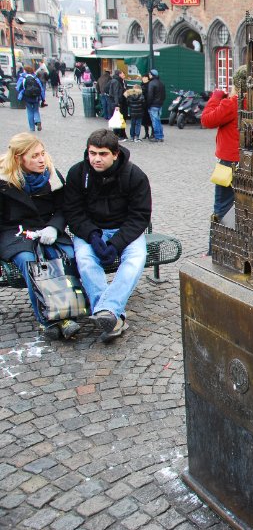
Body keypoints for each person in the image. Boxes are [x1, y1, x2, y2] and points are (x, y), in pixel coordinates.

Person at [63, 129, 152, 343]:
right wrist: (93, 236)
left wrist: (116, 243)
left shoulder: (134, 175)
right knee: (85, 261)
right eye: (92, 153)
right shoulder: (77, 173)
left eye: (102, 154)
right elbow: (73, 212)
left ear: (115, 154)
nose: (96, 159)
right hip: (91, 230)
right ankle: (113, 316)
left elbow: (139, 216)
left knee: (135, 260)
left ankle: (106, 311)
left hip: (124, 231)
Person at [0, 133, 82, 340]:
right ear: (19, 158)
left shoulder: (52, 176)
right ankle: (49, 319)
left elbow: (64, 209)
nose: (41, 159)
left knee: (68, 255)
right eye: (35, 156)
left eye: (42, 153)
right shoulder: (4, 181)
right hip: (15, 233)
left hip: (47, 228)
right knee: (30, 263)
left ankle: (67, 312)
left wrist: (54, 228)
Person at [202, 65, 247, 254]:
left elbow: (207, 120)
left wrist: (216, 96)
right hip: (251, 164)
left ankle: (216, 251)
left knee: (222, 208)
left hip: (229, 164)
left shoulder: (233, 103)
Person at [16, 66, 45, 132]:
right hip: (36, 97)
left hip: (27, 97)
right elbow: (41, 89)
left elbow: (18, 88)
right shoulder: (35, 78)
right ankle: (38, 121)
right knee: (36, 110)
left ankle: (32, 128)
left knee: (29, 111)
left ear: (25, 71)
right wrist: (43, 98)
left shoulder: (23, 78)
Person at [146, 69, 166, 143]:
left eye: (149, 74)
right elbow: (164, 95)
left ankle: (157, 136)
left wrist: (148, 104)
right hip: (159, 104)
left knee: (155, 121)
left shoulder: (151, 83)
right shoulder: (161, 83)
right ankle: (161, 136)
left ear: (152, 75)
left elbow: (150, 96)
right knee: (158, 120)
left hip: (153, 105)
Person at [140, 74, 153, 140]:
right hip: (143, 105)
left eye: (145, 77)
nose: (144, 78)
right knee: (144, 120)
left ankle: (152, 133)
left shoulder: (150, 85)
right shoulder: (141, 85)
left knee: (150, 120)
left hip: (149, 104)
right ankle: (146, 133)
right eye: (143, 77)